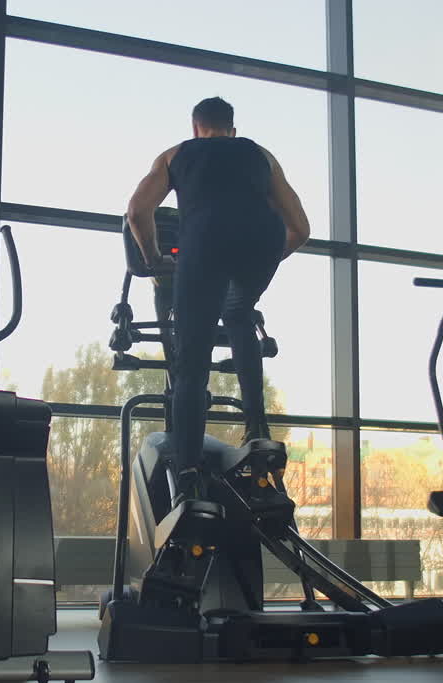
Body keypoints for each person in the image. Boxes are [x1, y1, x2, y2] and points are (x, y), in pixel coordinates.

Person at [125, 96, 311, 499]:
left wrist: (155, 258)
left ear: (196, 127)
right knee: (240, 312)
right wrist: (265, 254)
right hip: (263, 239)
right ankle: (257, 425)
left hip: (205, 242)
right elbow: (301, 228)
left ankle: (188, 475)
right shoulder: (261, 155)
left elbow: (138, 212)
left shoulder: (176, 155)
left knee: (192, 363)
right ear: (233, 127)